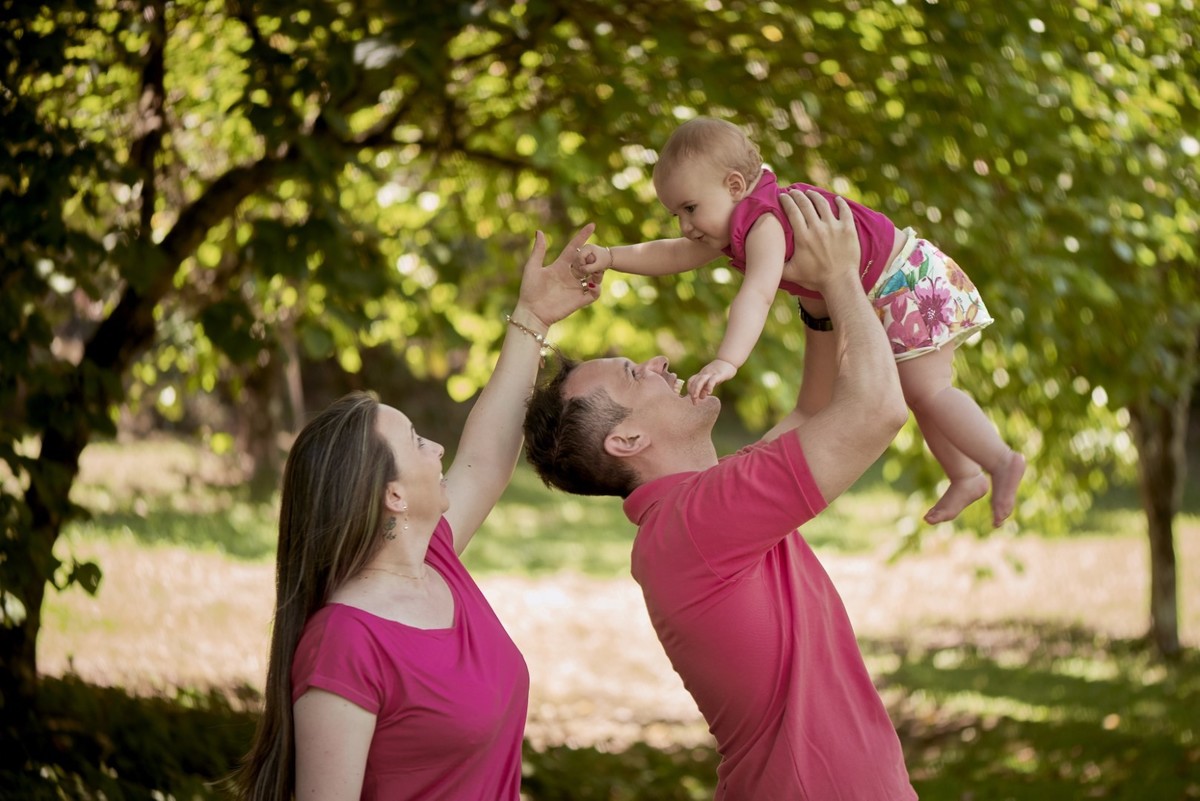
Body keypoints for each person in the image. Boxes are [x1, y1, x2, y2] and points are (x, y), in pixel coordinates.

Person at [525, 189, 918, 800]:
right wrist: (843, 276)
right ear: (627, 439)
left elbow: (813, 411)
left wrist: (816, 301)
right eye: (634, 374)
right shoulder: (697, 521)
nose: (657, 362)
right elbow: (876, 410)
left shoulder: (695, 512)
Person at [231, 225, 601, 801]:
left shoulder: (435, 564)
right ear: (393, 496)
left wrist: (532, 317)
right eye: (416, 441)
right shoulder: (346, 643)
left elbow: (487, 455)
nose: (438, 448)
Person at [573, 116, 1024, 527]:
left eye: (690, 208)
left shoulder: (764, 223)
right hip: (885, 288)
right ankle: (966, 474)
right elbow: (670, 253)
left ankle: (1001, 460)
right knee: (919, 392)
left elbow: (757, 294)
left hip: (905, 279)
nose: (685, 226)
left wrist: (727, 360)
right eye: (676, 214)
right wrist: (611, 257)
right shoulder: (733, 222)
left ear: (734, 185)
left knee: (929, 390)